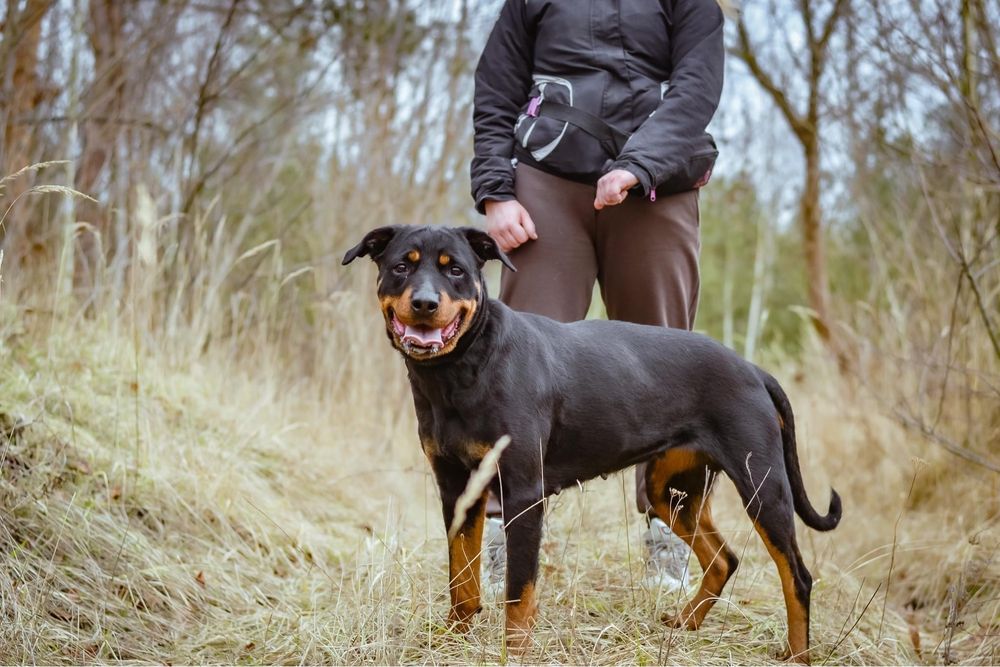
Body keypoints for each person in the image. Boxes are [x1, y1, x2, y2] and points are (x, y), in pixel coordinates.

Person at [470, 0, 725, 596]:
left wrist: (639, 164)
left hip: (657, 188)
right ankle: (507, 537)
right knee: (514, 367)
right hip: (545, 184)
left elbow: (695, 88)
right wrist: (495, 191)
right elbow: (496, 88)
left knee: (674, 371)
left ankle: (672, 539)